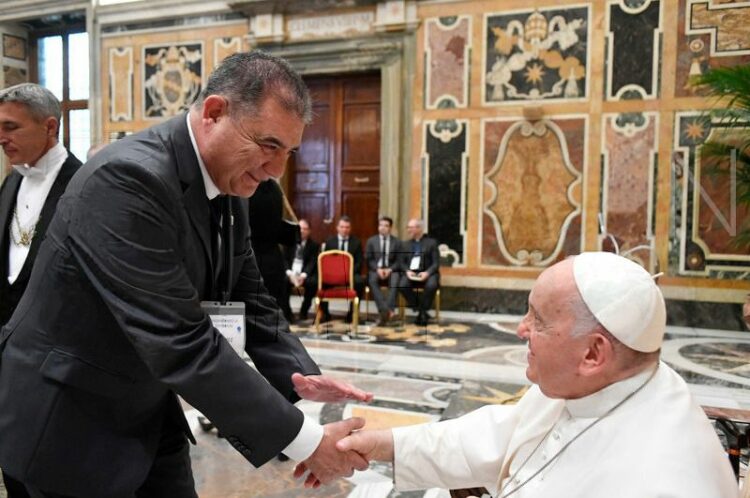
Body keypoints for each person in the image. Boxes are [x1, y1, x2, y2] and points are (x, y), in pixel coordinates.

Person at [0, 51, 373, 498]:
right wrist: (307, 443)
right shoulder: (127, 178)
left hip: (147, 405)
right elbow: (179, 338)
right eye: (269, 145)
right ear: (215, 112)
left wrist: (297, 376)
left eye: (288, 152)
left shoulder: (230, 182)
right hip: (71, 420)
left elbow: (248, 293)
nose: (277, 170)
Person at [333, 252, 739, 497]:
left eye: (538, 319)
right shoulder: (588, 383)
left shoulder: (663, 478)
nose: (520, 329)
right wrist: (380, 443)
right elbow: (492, 435)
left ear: (593, 353)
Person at [0, 83, 83, 498]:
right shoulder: (9, 185)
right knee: (13, 467)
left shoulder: (86, 185)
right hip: (9, 365)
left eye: (10, 127)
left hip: (59, 365)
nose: (1, 138)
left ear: (50, 126)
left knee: (53, 478)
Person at [248, 179, 299, 322]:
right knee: (276, 303)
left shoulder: (248, 188)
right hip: (274, 257)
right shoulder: (276, 189)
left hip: (252, 255)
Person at [396, 218, 439, 326]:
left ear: (419, 229)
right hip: (411, 273)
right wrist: (407, 271)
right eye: (408, 227)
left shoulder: (432, 243)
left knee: (432, 285)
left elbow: (436, 263)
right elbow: (401, 262)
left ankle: (422, 313)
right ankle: (422, 311)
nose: (408, 230)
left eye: (411, 227)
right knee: (402, 285)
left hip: (428, 273)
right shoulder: (404, 244)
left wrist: (427, 273)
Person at [321, 215, 364, 322]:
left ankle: (352, 313)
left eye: (347, 227)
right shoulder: (330, 241)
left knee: (359, 281)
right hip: (332, 275)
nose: (344, 229)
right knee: (320, 281)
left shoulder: (356, 242)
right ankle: (325, 313)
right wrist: (335, 275)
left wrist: (348, 274)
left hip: (350, 274)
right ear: (337, 228)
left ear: (350, 228)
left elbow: (359, 262)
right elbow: (326, 262)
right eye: (342, 227)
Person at [364, 216, 400, 326]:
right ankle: (388, 311)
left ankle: (384, 312)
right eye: (381, 225)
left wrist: (390, 269)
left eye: (386, 226)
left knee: (396, 279)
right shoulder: (371, 241)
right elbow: (368, 259)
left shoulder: (397, 242)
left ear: (390, 228)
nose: (383, 228)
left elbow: (400, 260)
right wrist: (377, 269)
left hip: (391, 270)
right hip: (376, 270)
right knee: (372, 279)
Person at [284, 218, 319, 321]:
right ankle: (287, 313)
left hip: (305, 274)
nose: (302, 231)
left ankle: (303, 312)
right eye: (299, 228)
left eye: (305, 229)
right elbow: (284, 260)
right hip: (290, 273)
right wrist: (290, 274)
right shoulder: (288, 243)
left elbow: (312, 262)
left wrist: (303, 275)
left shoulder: (314, 245)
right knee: (281, 283)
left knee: (313, 283)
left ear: (309, 231)